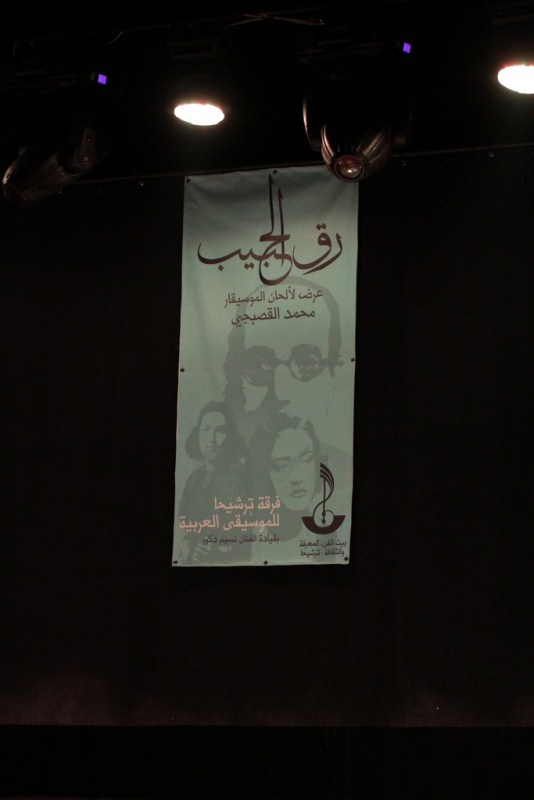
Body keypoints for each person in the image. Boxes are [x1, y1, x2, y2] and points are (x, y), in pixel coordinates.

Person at [176, 400, 250, 565]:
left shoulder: (242, 476)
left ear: (230, 436)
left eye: (220, 431)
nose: (211, 439)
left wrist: (215, 544)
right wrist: (186, 544)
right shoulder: (194, 478)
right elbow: (185, 521)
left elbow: (245, 528)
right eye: (206, 429)